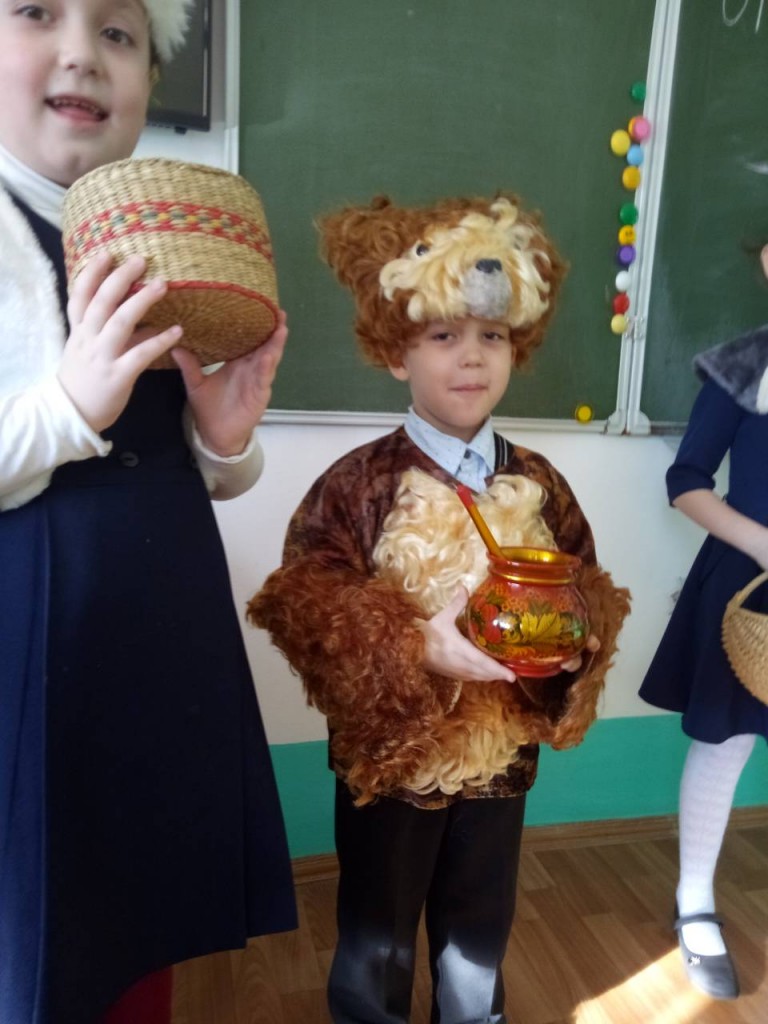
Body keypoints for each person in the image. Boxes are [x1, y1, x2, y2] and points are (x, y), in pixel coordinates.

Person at [248, 193, 630, 1023]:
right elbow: (303, 600)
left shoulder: (539, 479)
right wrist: (414, 644)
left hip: (500, 761)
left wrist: (579, 643)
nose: (472, 357)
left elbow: (586, 582)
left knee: (479, 927)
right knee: (378, 931)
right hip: (392, 765)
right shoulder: (357, 482)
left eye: (492, 335)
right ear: (397, 352)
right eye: (444, 335)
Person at [0, 2, 297, 1022]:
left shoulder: (159, 241)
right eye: (36, 13)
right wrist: (66, 407)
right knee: (37, 934)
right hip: (27, 639)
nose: (81, 52)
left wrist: (224, 440)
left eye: (119, 33)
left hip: (162, 622)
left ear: (151, 79)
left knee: (140, 915)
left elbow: (191, 472)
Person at [639, 243, 768, 1002]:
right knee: (727, 742)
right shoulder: (740, 369)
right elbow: (686, 481)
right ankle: (694, 902)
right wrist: (761, 543)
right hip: (747, 588)